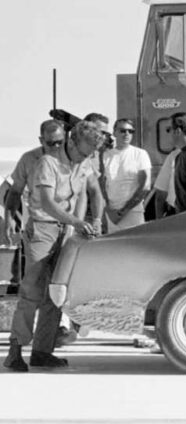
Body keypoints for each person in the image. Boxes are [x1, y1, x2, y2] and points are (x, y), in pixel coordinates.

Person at [4, 120, 103, 372]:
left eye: (89, 154)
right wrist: (77, 221)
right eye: (83, 152)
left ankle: (42, 351)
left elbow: (90, 192)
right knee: (32, 290)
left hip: (65, 231)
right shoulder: (47, 162)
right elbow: (47, 203)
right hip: (42, 230)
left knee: (56, 292)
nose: (85, 157)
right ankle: (15, 350)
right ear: (72, 142)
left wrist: (92, 220)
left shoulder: (84, 162)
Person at [3, 120, 65, 245]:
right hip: (40, 227)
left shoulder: (73, 157)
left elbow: (92, 190)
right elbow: (15, 192)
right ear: (41, 140)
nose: (56, 147)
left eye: (60, 142)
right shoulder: (28, 159)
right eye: (51, 143)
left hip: (70, 224)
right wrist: (9, 220)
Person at [102, 118, 152, 231]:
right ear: (114, 132)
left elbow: (145, 186)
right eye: (123, 130)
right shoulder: (106, 155)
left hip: (133, 212)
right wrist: (108, 211)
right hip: (111, 213)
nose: (127, 134)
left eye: (130, 131)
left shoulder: (140, 154)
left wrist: (123, 211)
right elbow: (102, 184)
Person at [152, 111, 186, 218]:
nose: (169, 135)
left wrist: (159, 223)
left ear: (177, 131)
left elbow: (160, 195)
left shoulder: (174, 156)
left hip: (180, 215)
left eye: (169, 130)